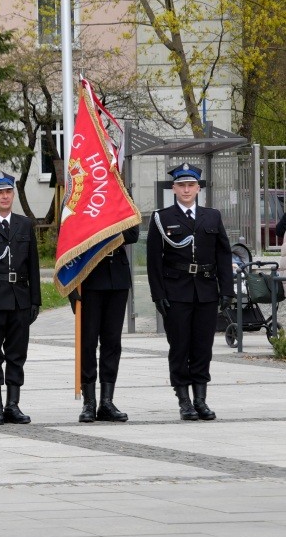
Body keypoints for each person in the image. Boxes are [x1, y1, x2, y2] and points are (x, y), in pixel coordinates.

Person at [147, 163, 234, 420]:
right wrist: (158, 294)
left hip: (206, 291)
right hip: (176, 291)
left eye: (191, 185)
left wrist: (226, 290)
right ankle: (184, 400)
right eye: (181, 185)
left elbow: (223, 254)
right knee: (180, 346)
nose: (186, 189)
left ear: (198, 188)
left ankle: (201, 400)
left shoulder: (212, 216)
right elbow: (154, 261)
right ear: (174, 188)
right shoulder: (162, 218)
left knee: (202, 347)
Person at [0, 171, 41, 425]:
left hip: (19, 298)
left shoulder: (24, 224)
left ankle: (13, 404)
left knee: (17, 354)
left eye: (8, 192)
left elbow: (33, 265)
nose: (4, 196)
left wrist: (35, 299)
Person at [68, 226, 140, 422]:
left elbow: (133, 234)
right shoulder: (80, 196)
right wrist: (71, 284)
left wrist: (103, 235)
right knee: (88, 342)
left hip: (117, 276)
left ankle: (107, 401)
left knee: (112, 343)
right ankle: (89, 402)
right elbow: (68, 236)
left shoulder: (122, 195)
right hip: (88, 276)